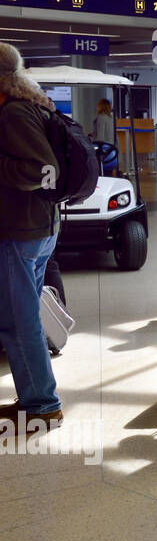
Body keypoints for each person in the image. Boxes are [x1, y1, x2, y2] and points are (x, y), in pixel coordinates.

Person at [0, 42, 64, 432]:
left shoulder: (13, 113)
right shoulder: (33, 105)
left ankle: (43, 403)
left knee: (20, 320)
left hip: (22, 230)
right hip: (39, 227)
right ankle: (34, 398)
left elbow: (43, 169)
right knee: (17, 317)